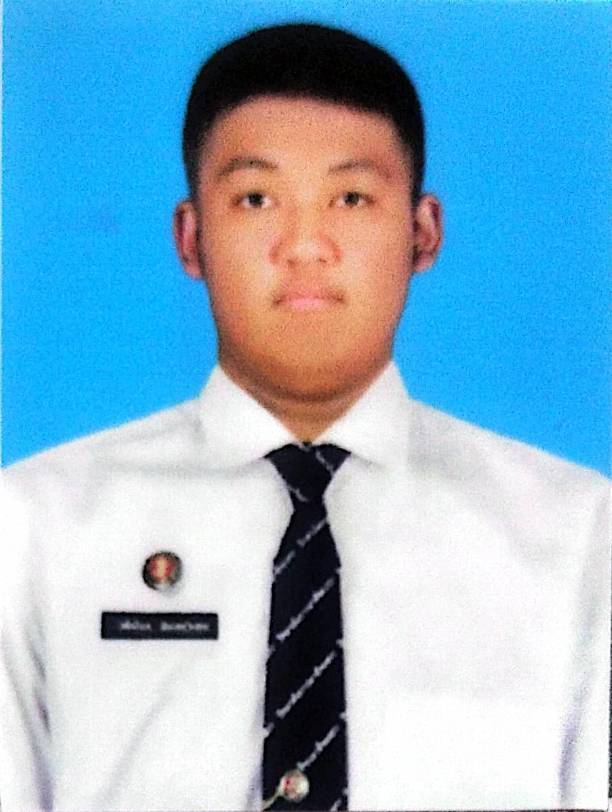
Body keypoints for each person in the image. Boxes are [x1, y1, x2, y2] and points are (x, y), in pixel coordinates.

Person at [0, 22, 609, 812]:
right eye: (256, 199)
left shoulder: (577, 534)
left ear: (422, 232)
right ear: (192, 237)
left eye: (351, 198)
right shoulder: (34, 525)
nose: (305, 245)